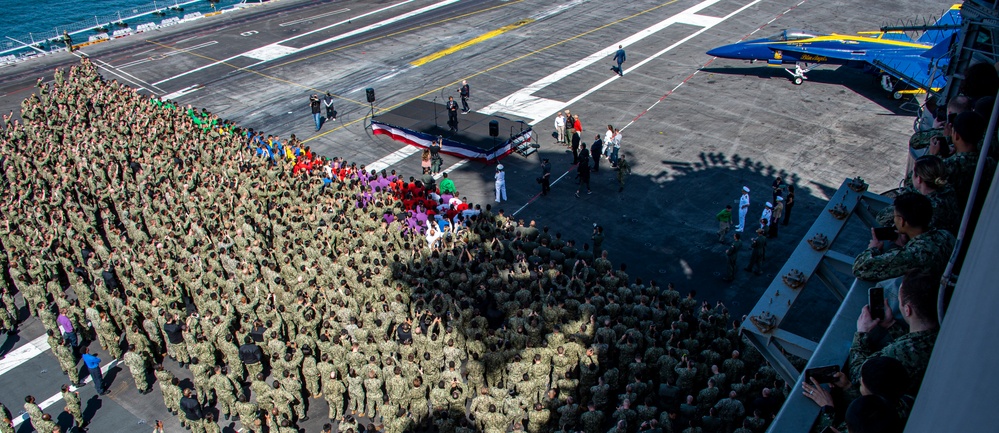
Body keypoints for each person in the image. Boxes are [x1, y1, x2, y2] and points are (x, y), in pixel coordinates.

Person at [849, 270, 939, 396]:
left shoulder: (897, 353)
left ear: (907, 310)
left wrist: (862, 333)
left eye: (900, 300)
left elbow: (860, 376)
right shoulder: (940, 329)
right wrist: (891, 325)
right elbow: (917, 343)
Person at [852, 192, 956, 281]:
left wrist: (873, 248)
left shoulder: (913, 255)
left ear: (902, 221)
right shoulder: (945, 235)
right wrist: (906, 243)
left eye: (895, 216)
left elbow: (860, 269)